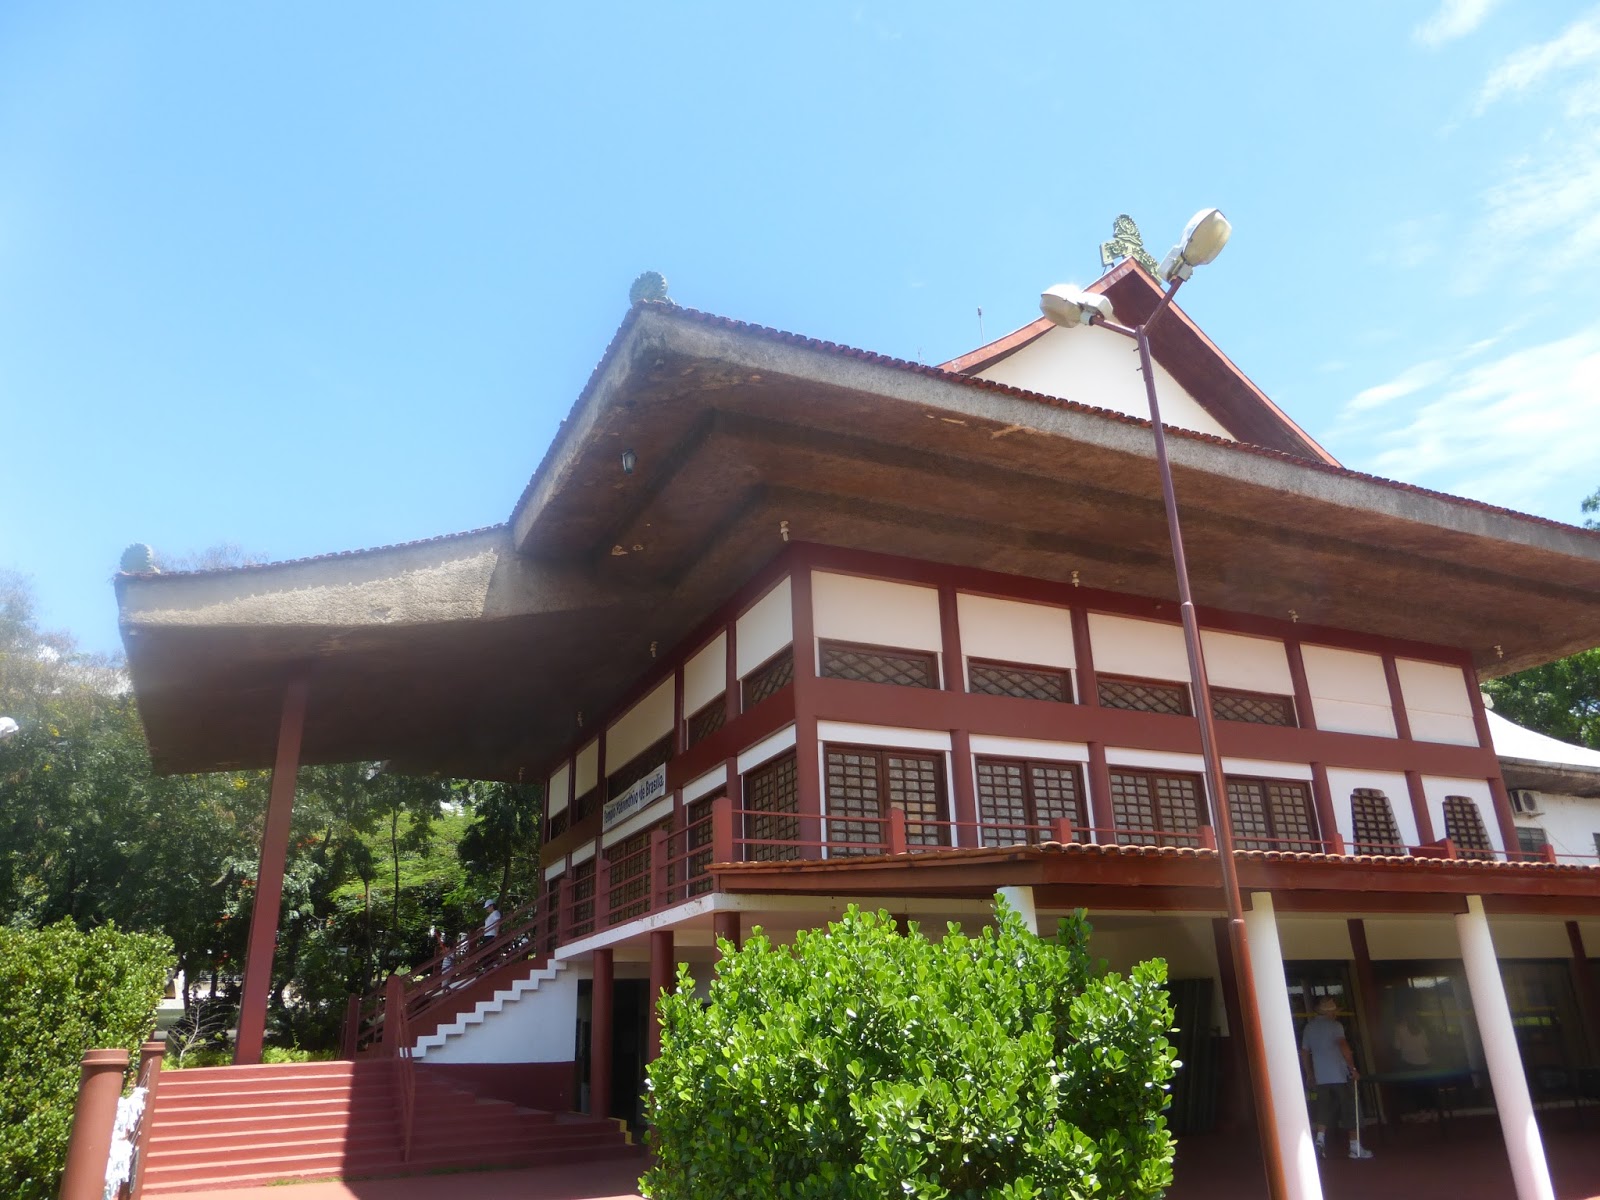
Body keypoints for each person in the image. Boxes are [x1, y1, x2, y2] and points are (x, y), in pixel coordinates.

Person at [1301, 996, 1373, 1160]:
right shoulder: (1336, 1026)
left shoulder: (1309, 1028)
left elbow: (1304, 1053)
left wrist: (1310, 1074)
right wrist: (1352, 1068)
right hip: (1340, 1074)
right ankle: (1354, 1147)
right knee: (1350, 1109)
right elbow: (1344, 1047)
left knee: (1323, 1109)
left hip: (1321, 1076)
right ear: (1331, 1013)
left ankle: (1320, 1140)